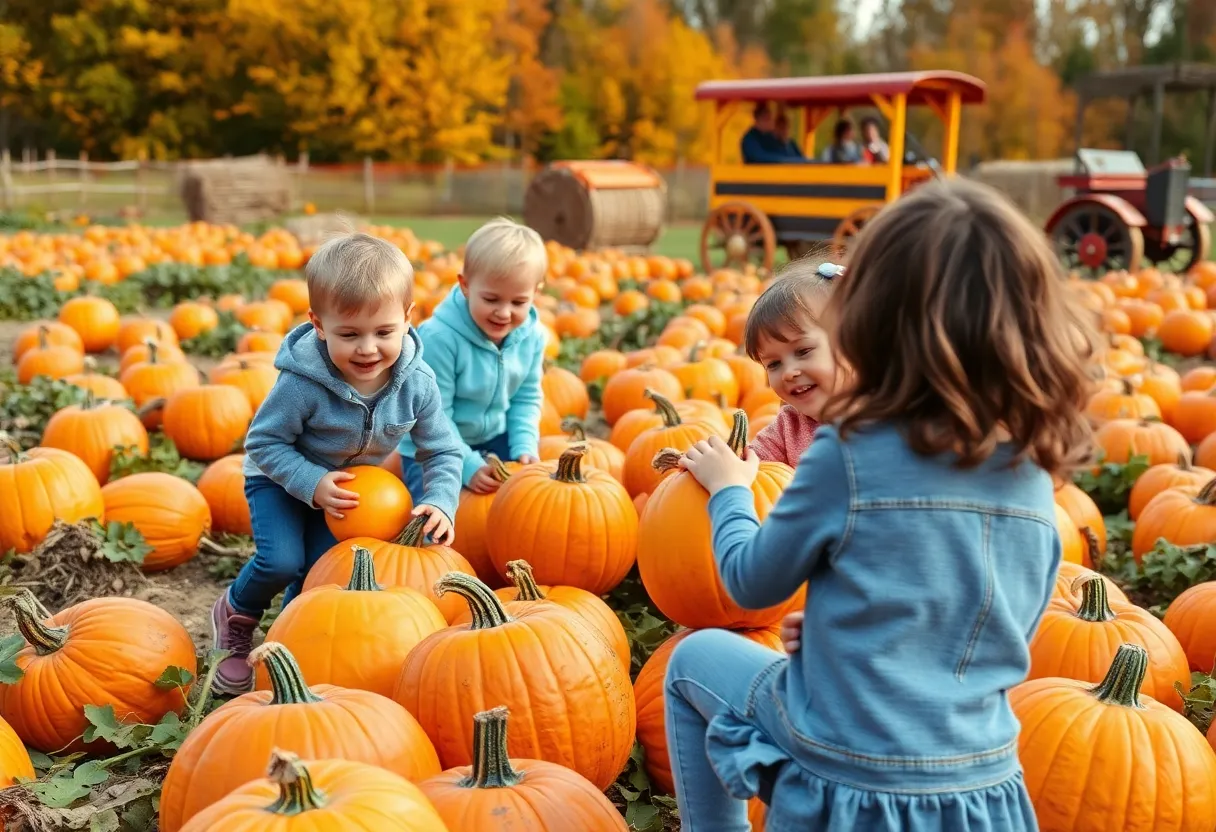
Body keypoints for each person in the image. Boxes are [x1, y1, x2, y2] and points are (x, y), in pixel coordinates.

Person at [665, 177, 1097, 831]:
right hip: (982, 785)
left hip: (846, 769)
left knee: (690, 662)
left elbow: (749, 584)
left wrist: (730, 491)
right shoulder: (1034, 472)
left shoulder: (849, 451)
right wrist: (848, 632)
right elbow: (1003, 629)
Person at [210, 230, 464, 696]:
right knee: (282, 561)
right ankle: (237, 614)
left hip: (347, 491)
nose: (368, 348)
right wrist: (312, 481)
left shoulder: (417, 383)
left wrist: (442, 500)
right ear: (319, 324)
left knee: (320, 574)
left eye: (384, 332)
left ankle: (288, 642)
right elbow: (262, 444)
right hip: (279, 480)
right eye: (349, 335)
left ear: (408, 320)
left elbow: (443, 450)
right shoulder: (301, 384)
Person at [397, 217, 547, 498]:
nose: (503, 312)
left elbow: (526, 397)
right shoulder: (439, 339)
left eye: (518, 302)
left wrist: (524, 446)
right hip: (431, 446)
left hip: (493, 437)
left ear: (535, 293)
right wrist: (466, 464)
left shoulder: (533, 336)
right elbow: (433, 416)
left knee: (526, 502)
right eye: (491, 299)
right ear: (465, 286)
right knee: (440, 518)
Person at [746, 260, 843, 467]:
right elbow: (750, 467)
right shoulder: (787, 429)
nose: (788, 373)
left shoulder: (894, 421)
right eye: (773, 364)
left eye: (803, 351)